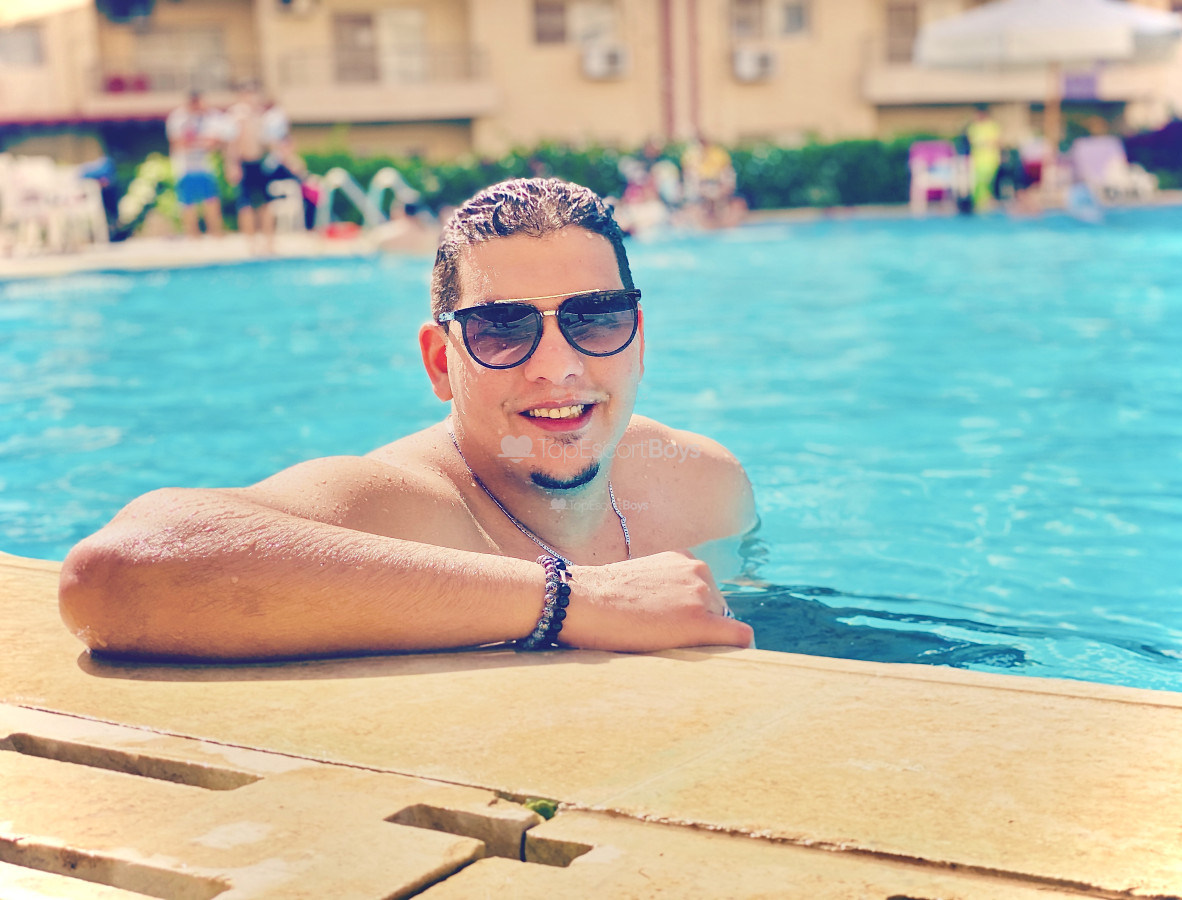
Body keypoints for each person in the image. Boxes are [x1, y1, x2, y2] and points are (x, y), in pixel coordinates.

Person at [58, 178, 755, 661]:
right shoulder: (394, 510)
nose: (557, 366)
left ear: (639, 340)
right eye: (501, 329)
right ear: (440, 362)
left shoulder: (704, 487)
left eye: (595, 318)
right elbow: (112, 574)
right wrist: (573, 600)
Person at [225, 82, 288, 253]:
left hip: (261, 163)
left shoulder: (262, 115)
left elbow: (270, 141)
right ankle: (251, 244)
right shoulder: (237, 115)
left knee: (267, 204)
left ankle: (269, 242)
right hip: (244, 163)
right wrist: (232, 165)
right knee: (245, 205)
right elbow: (232, 143)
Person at [165, 91, 224, 238]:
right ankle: (193, 235)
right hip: (185, 167)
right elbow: (177, 142)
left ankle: (216, 233)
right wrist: (201, 142)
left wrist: (196, 142)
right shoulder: (178, 118)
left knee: (211, 200)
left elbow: (215, 141)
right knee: (187, 203)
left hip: (205, 166)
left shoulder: (208, 117)